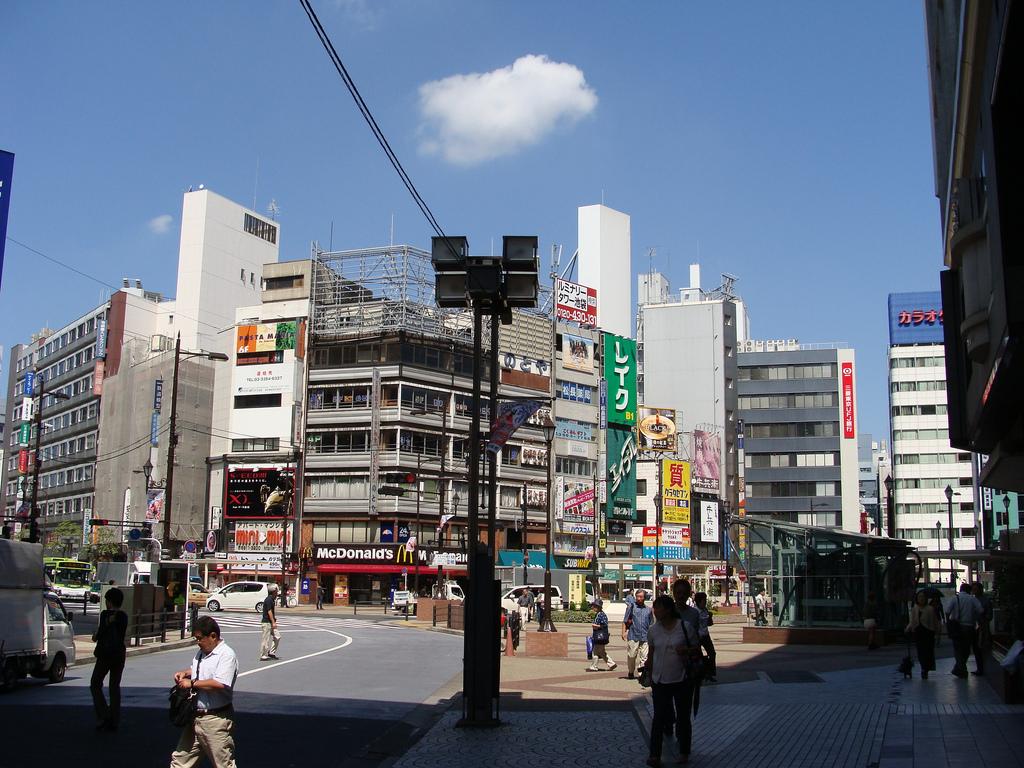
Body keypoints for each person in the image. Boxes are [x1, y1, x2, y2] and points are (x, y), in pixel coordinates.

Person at [170, 616, 238, 768]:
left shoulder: (226, 655)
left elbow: (220, 683)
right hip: (195, 717)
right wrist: (186, 673)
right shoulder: (202, 652)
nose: (198, 642)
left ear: (213, 636)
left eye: (200, 638)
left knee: (223, 764)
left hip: (215, 719)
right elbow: (200, 669)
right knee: (180, 761)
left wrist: (192, 683)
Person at [644, 595, 700, 766]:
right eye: (654, 607)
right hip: (660, 680)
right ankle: (654, 755)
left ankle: (684, 752)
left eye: (658, 607)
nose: (655, 610)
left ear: (668, 610)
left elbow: (697, 649)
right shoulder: (653, 630)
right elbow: (651, 654)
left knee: (683, 717)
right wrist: (650, 674)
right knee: (659, 718)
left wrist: (686, 651)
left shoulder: (685, 627)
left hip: (682, 679)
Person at [90, 587, 127, 731]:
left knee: (95, 683)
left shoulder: (105, 615)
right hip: (119, 655)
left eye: (106, 600)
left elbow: (99, 634)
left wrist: (106, 624)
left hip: (105, 655)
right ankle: (115, 719)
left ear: (110, 601)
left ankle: (104, 714)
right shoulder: (123, 616)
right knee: (114, 687)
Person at [945, 582, 984, 678]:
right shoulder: (973, 599)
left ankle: (962, 670)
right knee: (966, 650)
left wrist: (949, 623)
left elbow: (947, 611)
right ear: (969, 590)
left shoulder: (955, 598)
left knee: (958, 649)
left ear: (961, 589)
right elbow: (981, 610)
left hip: (957, 626)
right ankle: (959, 669)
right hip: (970, 627)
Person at [906, 590, 938, 679]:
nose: (921, 599)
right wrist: (908, 628)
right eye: (919, 597)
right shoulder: (914, 608)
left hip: (928, 632)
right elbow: (912, 621)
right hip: (918, 632)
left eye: (923, 597)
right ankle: (923, 667)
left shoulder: (930, 609)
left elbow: (934, 621)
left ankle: (926, 668)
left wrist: (936, 632)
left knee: (928, 651)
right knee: (920, 651)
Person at [623, 589, 654, 680]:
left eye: (641, 597)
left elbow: (651, 624)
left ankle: (641, 674)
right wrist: (623, 632)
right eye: (637, 596)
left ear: (644, 598)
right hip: (633, 635)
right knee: (632, 655)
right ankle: (631, 671)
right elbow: (625, 620)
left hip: (645, 636)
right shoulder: (631, 607)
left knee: (644, 657)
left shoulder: (648, 610)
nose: (639, 598)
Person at [586, 598, 617, 672]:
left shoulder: (601, 614)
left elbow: (604, 625)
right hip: (601, 636)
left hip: (600, 636)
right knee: (602, 652)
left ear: (598, 607)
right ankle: (611, 664)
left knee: (595, 651)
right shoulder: (600, 614)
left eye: (594, 606)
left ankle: (594, 666)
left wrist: (596, 626)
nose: (592, 607)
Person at [694, 592, 717, 682]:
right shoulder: (695, 612)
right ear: (699, 601)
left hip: (706, 635)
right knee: (698, 656)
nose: (705, 602)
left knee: (712, 653)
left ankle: (710, 673)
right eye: (704, 600)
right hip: (697, 637)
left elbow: (709, 624)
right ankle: (700, 673)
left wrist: (710, 617)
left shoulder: (705, 610)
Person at [972, 582, 993, 659]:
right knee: (976, 647)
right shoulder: (972, 600)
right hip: (974, 626)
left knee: (983, 646)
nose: (974, 591)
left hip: (983, 626)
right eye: (973, 589)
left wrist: (984, 619)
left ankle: (983, 667)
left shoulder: (985, 601)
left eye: (975, 589)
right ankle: (980, 667)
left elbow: (989, 615)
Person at [259, 584, 280, 661]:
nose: (277, 592)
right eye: (277, 591)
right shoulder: (268, 600)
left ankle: (271, 652)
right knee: (266, 639)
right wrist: (273, 622)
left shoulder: (272, 599)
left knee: (277, 636)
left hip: (270, 622)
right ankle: (263, 655)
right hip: (266, 622)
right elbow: (269, 611)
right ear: (274, 591)